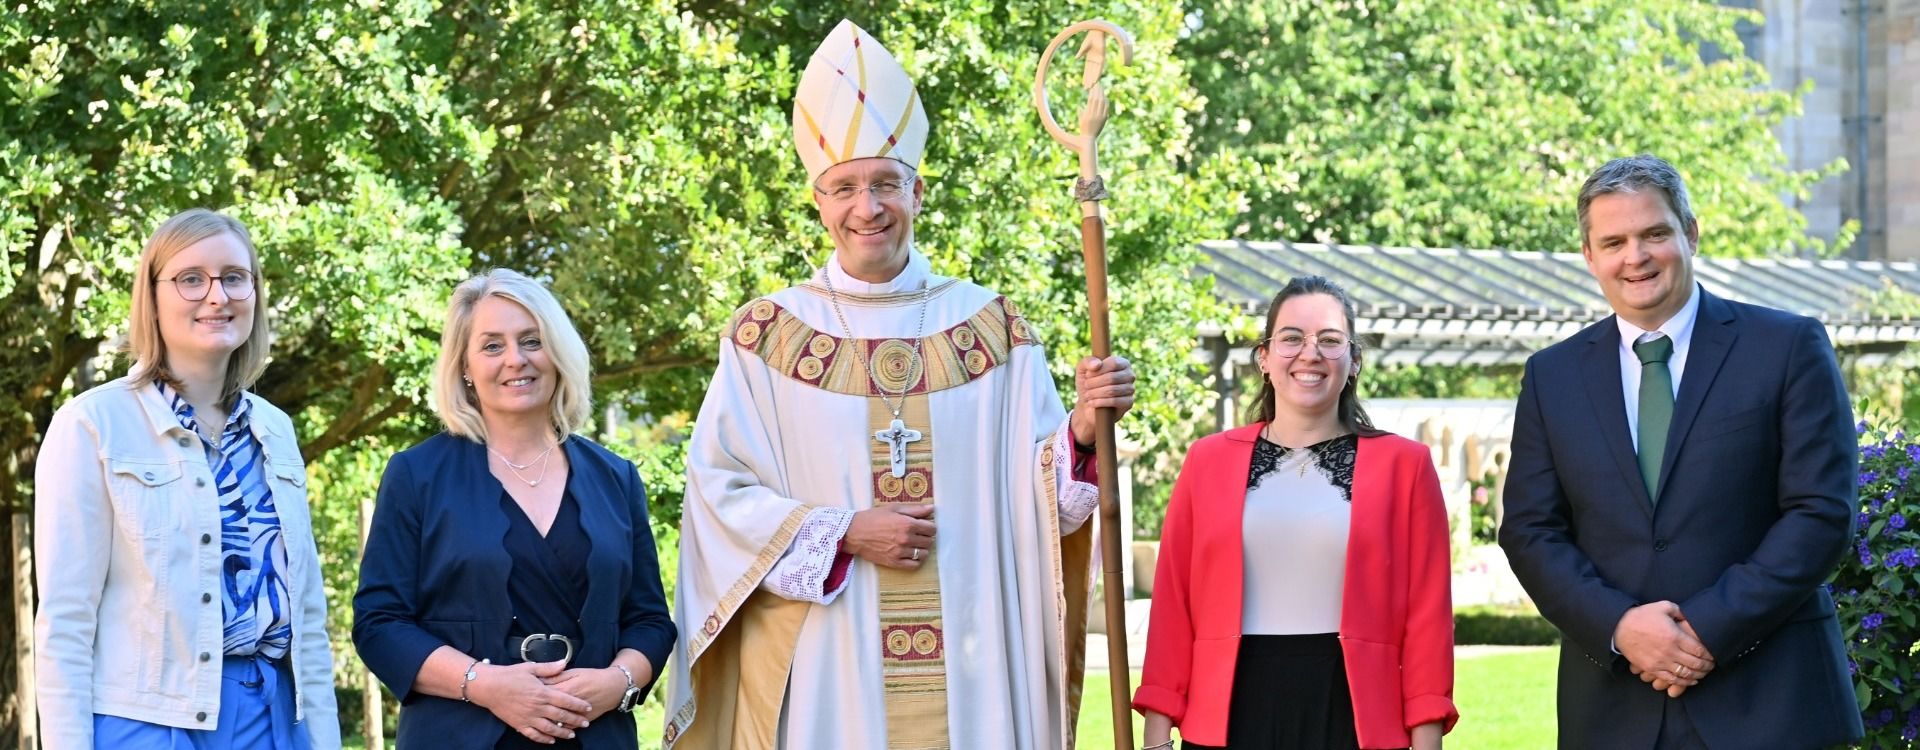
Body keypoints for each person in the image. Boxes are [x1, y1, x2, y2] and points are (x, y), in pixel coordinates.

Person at [663, 18, 1136, 750]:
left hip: (976, 664)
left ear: (916, 192)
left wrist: (1077, 433)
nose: (868, 207)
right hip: (832, 665)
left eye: (886, 184)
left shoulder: (991, 328)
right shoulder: (766, 337)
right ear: (818, 203)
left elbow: (1050, 508)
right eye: (845, 187)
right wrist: (845, 529)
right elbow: (719, 496)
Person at [1498, 154, 1864, 748]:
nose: (1635, 257)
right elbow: (1531, 530)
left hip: (1771, 702)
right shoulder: (1551, 376)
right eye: (1613, 241)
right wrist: (1619, 626)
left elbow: (1821, 513)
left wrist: (1705, 630)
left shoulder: (1788, 346)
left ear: (1689, 233)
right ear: (1590, 256)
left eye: (1654, 234)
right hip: (1614, 709)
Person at [34, 208, 340, 749]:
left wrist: (323, 737)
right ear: (152, 296)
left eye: (234, 277)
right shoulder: (91, 426)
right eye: (191, 279)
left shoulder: (275, 429)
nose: (217, 295)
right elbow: (65, 624)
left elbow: (307, 616)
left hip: (274, 719)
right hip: (146, 725)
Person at [352, 270, 676, 749]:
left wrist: (617, 683)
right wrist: (485, 685)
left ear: (558, 353)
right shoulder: (416, 475)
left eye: (531, 340)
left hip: (593, 733)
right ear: (464, 365)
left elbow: (649, 621)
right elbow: (379, 624)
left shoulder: (616, 477)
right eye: (491, 346)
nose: (515, 360)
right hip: (457, 736)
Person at [1134, 276, 1456, 750]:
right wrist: (1157, 732)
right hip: (1227, 715)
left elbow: (1428, 616)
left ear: (1354, 361)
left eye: (1330, 340)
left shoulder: (1405, 467)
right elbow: (1173, 604)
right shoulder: (1207, 461)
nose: (1311, 354)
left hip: (1355, 715)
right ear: (1264, 358)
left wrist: (1426, 740)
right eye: (1291, 338)